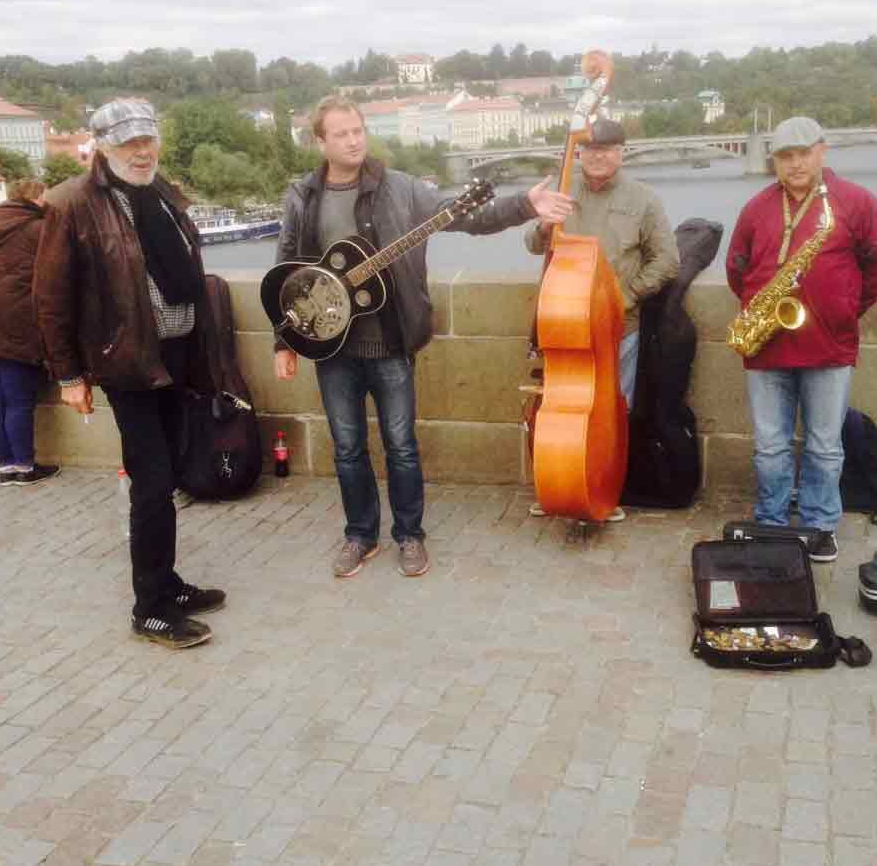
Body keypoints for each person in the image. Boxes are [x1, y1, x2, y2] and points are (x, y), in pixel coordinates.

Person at [274, 95, 574, 579]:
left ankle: (410, 536)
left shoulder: (402, 188)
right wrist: (284, 341)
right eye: (342, 133)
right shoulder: (303, 197)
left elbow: (468, 217)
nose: (353, 140)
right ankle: (360, 535)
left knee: (401, 444)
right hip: (331, 347)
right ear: (320, 141)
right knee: (347, 446)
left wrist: (524, 205)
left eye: (358, 130)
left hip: (390, 341)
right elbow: (286, 270)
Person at [34, 98, 226, 648]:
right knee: (153, 482)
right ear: (101, 147)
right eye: (128, 144)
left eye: (148, 141)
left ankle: (168, 583)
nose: (142, 153)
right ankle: (151, 608)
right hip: (128, 363)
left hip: (173, 357)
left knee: (170, 475)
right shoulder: (72, 204)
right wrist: (69, 376)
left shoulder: (161, 194)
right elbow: (50, 298)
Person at [726, 116, 877, 562]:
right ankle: (771, 523)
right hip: (767, 346)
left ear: (822, 151)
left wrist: (841, 308)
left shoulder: (857, 202)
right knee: (770, 446)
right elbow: (736, 268)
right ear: (775, 161)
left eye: (804, 153)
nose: (796, 164)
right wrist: (760, 311)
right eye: (786, 156)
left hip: (829, 346)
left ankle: (820, 528)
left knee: (824, 444)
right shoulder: (757, 207)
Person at [524, 118, 681, 519]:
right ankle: (561, 482)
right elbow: (530, 244)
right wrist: (544, 225)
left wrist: (622, 298)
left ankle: (602, 490)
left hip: (616, 327)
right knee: (556, 407)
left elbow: (667, 260)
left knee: (609, 414)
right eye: (591, 150)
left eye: (607, 150)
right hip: (565, 322)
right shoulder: (563, 190)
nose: (598, 157)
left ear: (621, 152)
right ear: (579, 153)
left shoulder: (643, 199)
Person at [0, 178, 60, 486]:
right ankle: (24, 466)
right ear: (35, 198)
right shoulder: (38, 229)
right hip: (16, 325)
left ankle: (5, 466)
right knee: (18, 399)